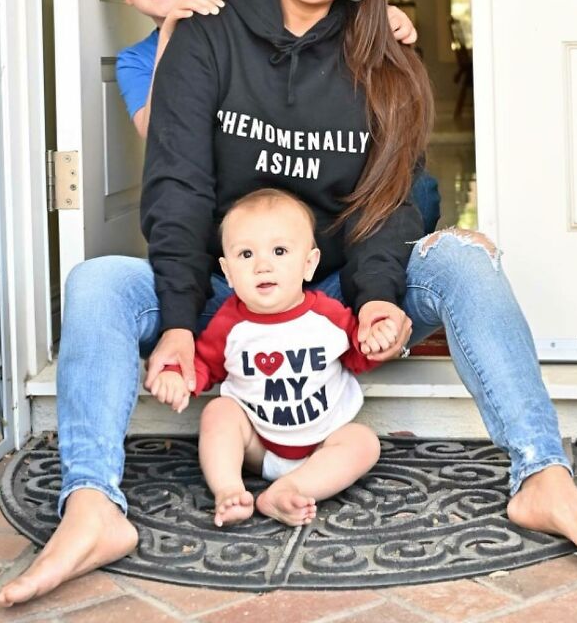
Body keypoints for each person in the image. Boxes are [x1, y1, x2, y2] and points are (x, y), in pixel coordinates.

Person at [0, 0, 577, 608]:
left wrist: (376, 298)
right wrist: (177, 321)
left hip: (330, 294)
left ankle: (541, 475)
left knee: (463, 260)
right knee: (97, 282)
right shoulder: (206, 37)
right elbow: (177, 187)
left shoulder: (384, 57)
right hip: (221, 290)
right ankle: (93, 506)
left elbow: (388, 200)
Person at [109, 0, 441, 231]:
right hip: (233, 211)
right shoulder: (135, 60)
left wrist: (375, 21)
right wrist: (170, 36)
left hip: (315, 183)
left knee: (419, 190)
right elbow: (160, 136)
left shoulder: (248, 19)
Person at [151, 188, 395, 528]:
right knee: (219, 411)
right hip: (259, 446)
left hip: (322, 442)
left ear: (309, 263)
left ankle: (290, 489)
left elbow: (358, 355)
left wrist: (375, 340)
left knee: (364, 442)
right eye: (246, 254)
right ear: (229, 272)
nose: (263, 265)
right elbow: (204, 363)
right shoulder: (229, 323)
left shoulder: (328, 315)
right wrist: (178, 376)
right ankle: (229, 490)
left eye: (279, 251)